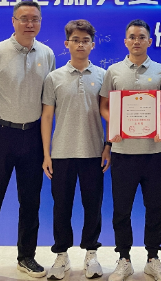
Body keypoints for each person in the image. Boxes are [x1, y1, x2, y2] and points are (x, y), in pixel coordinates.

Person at [0, 1, 56, 281]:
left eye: (35, 19)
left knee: (30, 202)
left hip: (32, 135)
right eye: (24, 18)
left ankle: (26, 257)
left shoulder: (47, 54)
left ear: (40, 22)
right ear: (13, 21)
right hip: (0, 136)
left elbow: (48, 101)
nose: (30, 23)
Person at [99, 19, 161, 281]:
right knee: (122, 209)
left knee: (154, 208)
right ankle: (124, 259)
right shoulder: (114, 72)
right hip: (123, 151)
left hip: (153, 152)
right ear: (125, 41)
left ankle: (153, 258)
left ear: (149, 41)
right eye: (132, 37)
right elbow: (104, 106)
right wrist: (115, 124)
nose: (137, 41)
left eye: (142, 37)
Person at [41, 19, 110, 280]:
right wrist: (46, 154)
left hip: (93, 152)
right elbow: (47, 117)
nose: (80, 45)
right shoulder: (53, 77)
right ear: (66, 44)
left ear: (93, 45)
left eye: (85, 40)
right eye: (76, 40)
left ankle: (91, 254)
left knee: (93, 206)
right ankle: (61, 255)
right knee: (62, 207)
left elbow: (110, 113)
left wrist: (108, 145)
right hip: (61, 153)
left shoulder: (103, 75)